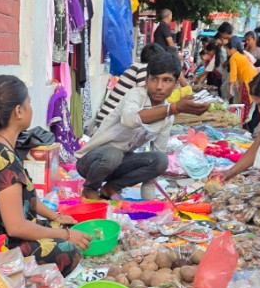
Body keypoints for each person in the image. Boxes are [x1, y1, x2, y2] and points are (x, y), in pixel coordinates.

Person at [0, 76, 89, 276]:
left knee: (61, 226)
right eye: (28, 103)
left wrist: (56, 218)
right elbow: (15, 227)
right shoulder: (3, 158)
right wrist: (66, 235)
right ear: (18, 111)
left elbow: (24, 195)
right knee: (68, 250)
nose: (31, 108)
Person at [76, 54, 208, 200]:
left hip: (118, 164)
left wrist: (151, 206)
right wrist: (173, 108)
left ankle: (111, 188)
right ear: (146, 80)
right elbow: (129, 120)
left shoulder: (167, 116)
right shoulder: (136, 95)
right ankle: (90, 189)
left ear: (176, 84)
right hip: (91, 162)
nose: (159, 87)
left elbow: (158, 155)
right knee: (113, 154)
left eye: (166, 80)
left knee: (160, 160)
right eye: (154, 79)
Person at [95, 43, 166, 129]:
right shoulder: (144, 68)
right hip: (109, 120)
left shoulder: (138, 66)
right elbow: (148, 96)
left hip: (108, 117)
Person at [225, 37, 259, 126]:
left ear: (232, 49)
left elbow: (233, 73)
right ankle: (244, 122)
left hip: (247, 81)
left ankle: (242, 123)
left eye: (227, 50)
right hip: (254, 80)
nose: (226, 52)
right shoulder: (243, 55)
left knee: (245, 104)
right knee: (249, 103)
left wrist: (230, 87)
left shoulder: (234, 57)